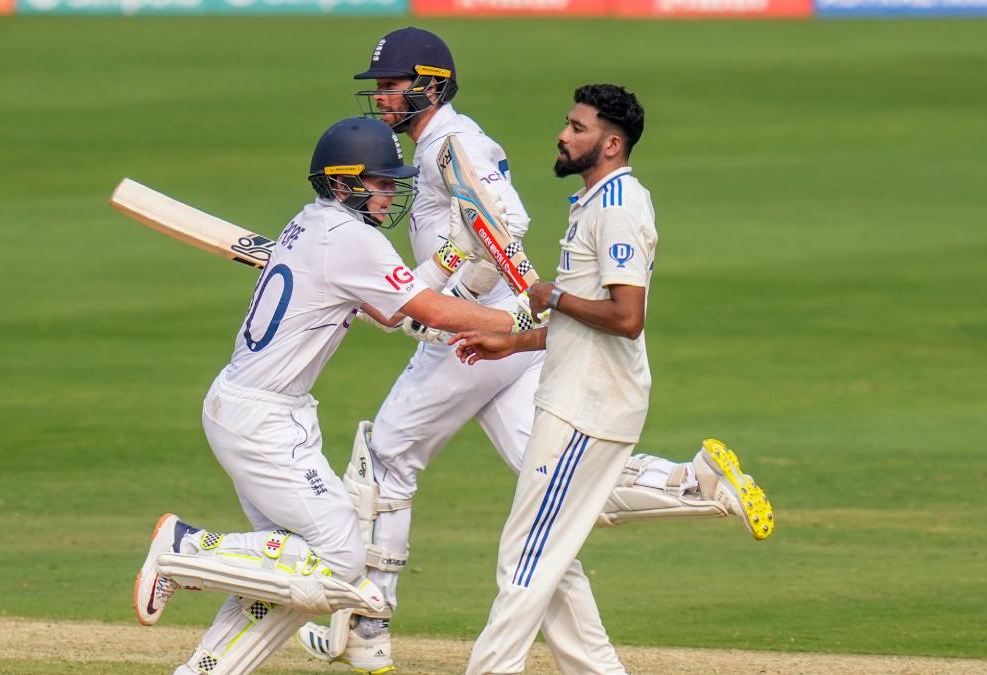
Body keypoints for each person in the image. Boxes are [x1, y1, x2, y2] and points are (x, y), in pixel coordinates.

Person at [299, 30, 767, 675]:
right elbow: (473, 239)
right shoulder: (439, 145)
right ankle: (689, 483)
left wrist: (447, 301)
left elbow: (503, 226)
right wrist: (470, 305)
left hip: (473, 335)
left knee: (385, 462)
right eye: (378, 87)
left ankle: (368, 630)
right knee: (552, 513)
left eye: (392, 85)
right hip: (502, 339)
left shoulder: (452, 144)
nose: (382, 98)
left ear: (429, 86)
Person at [131, 116, 536, 675]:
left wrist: (449, 257)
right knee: (340, 558)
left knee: (289, 578)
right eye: (382, 181)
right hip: (264, 420)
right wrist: (517, 317)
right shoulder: (352, 240)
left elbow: (385, 310)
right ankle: (185, 549)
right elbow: (428, 313)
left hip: (255, 408)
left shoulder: (313, 226)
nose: (391, 192)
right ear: (345, 182)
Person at [450, 84, 775, 675]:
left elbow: (626, 318)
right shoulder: (595, 201)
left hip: (585, 404)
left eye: (577, 127)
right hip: (580, 394)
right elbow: (588, 316)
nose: (562, 134)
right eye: (567, 123)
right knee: (554, 556)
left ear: (611, 142)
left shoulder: (618, 206)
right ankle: (696, 488)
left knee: (527, 557)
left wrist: (551, 296)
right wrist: (516, 340)